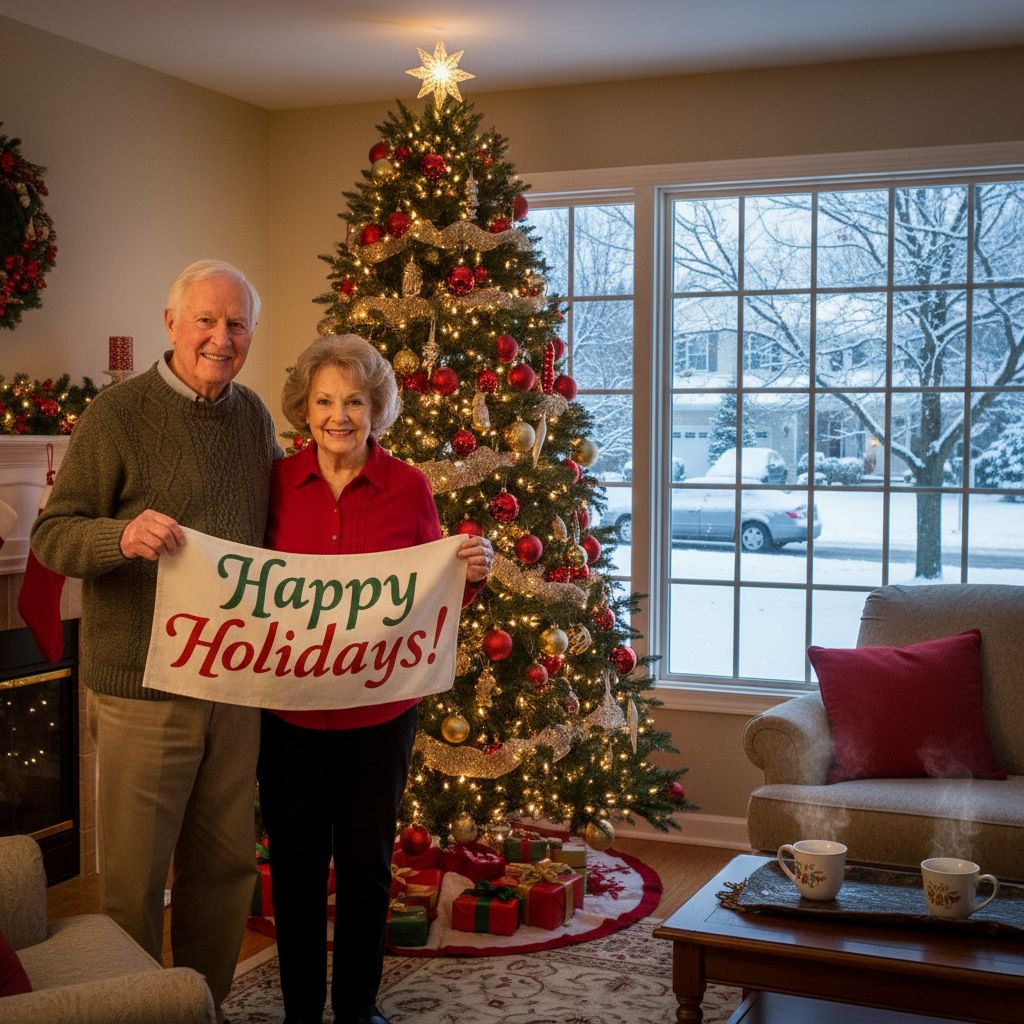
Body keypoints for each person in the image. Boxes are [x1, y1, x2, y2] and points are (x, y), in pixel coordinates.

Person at [31, 259, 279, 1020]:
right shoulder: (117, 415)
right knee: (135, 881)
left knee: (226, 868)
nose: (220, 337)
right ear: (170, 324)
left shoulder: (254, 418)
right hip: (143, 688)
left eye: (236, 324)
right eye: (205, 320)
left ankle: (202, 1005)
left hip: (234, 686)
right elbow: (51, 536)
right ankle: (133, 1009)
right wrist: (119, 537)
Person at [257, 334, 492, 1024]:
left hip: (379, 717)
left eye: (354, 401)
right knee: (295, 871)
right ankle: (302, 1010)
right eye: (325, 401)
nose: (339, 415)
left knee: (365, 871)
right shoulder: (273, 484)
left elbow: (433, 591)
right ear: (304, 408)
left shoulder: (409, 487)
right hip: (290, 717)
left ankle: (357, 1009)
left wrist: (470, 577)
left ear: (376, 408)